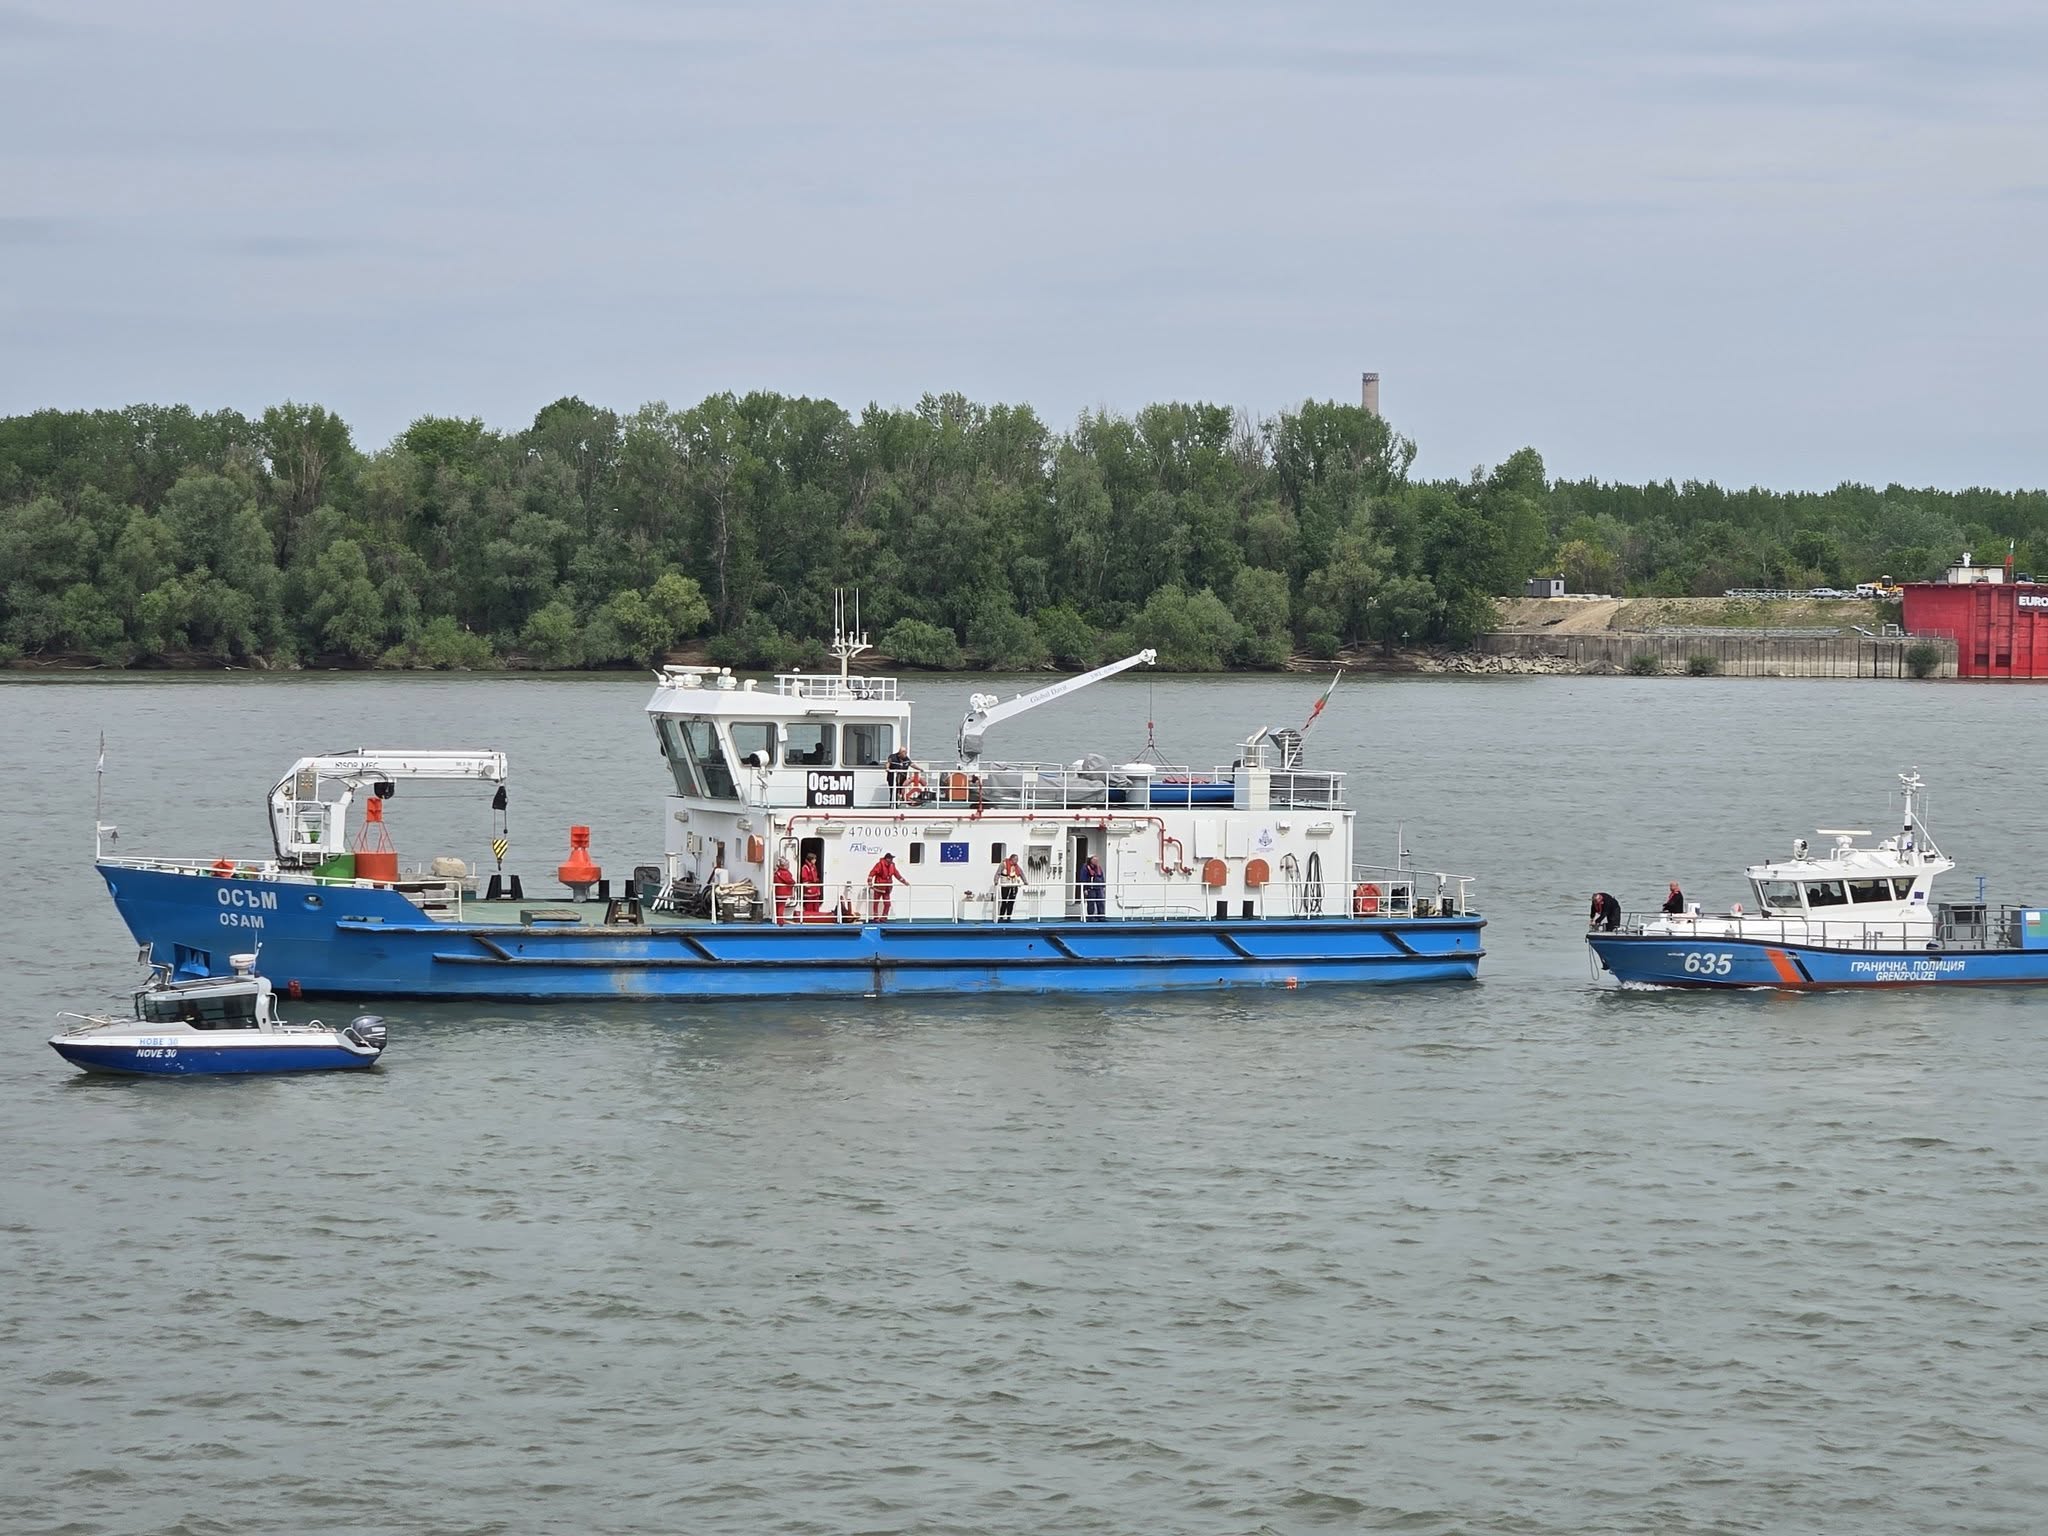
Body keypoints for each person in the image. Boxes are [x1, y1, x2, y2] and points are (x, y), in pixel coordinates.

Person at [867, 850, 909, 919]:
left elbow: (897, 875)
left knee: (887, 904)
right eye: (890, 858)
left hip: (887, 888)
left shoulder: (892, 865)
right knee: (876, 902)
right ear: (887, 858)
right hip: (879, 887)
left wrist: (904, 882)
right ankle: (876, 917)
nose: (892, 860)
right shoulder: (879, 864)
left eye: (892, 858)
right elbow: (872, 873)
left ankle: (884, 917)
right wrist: (869, 882)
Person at [996, 853, 1025, 921]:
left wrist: (1025, 881)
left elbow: (1021, 874)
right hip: (1005, 885)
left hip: (1013, 885)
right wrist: (996, 881)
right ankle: (1001, 917)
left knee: (1011, 901)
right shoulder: (1004, 864)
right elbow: (998, 873)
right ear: (1011, 859)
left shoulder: (1017, 867)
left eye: (1017, 859)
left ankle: (1009, 916)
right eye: (1015, 859)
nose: (1017, 861)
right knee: (1004, 901)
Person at [1080, 853, 1106, 920]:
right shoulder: (1085, 867)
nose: (1096, 860)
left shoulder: (1098, 867)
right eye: (1094, 859)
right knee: (1091, 903)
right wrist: (1085, 888)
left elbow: (1101, 877)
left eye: (1097, 859)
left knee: (1101, 902)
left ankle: (1101, 917)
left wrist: (1103, 886)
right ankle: (1090, 917)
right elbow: (1083, 878)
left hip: (1099, 888)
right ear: (1090, 860)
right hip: (1090, 888)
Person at [799, 854, 823, 922]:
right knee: (809, 903)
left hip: (815, 887)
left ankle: (817, 917)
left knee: (816, 903)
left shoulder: (813, 866)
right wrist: (807, 884)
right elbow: (804, 878)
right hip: (809, 888)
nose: (815, 860)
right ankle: (809, 918)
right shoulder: (805, 867)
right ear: (811, 859)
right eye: (814, 859)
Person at [772, 858, 796, 925]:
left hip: (778, 892)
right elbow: (789, 880)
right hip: (783, 893)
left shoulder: (777, 872)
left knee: (778, 906)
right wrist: (794, 882)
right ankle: (780, 920)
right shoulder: (784, 873)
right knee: (781, 907)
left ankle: (779, 919)